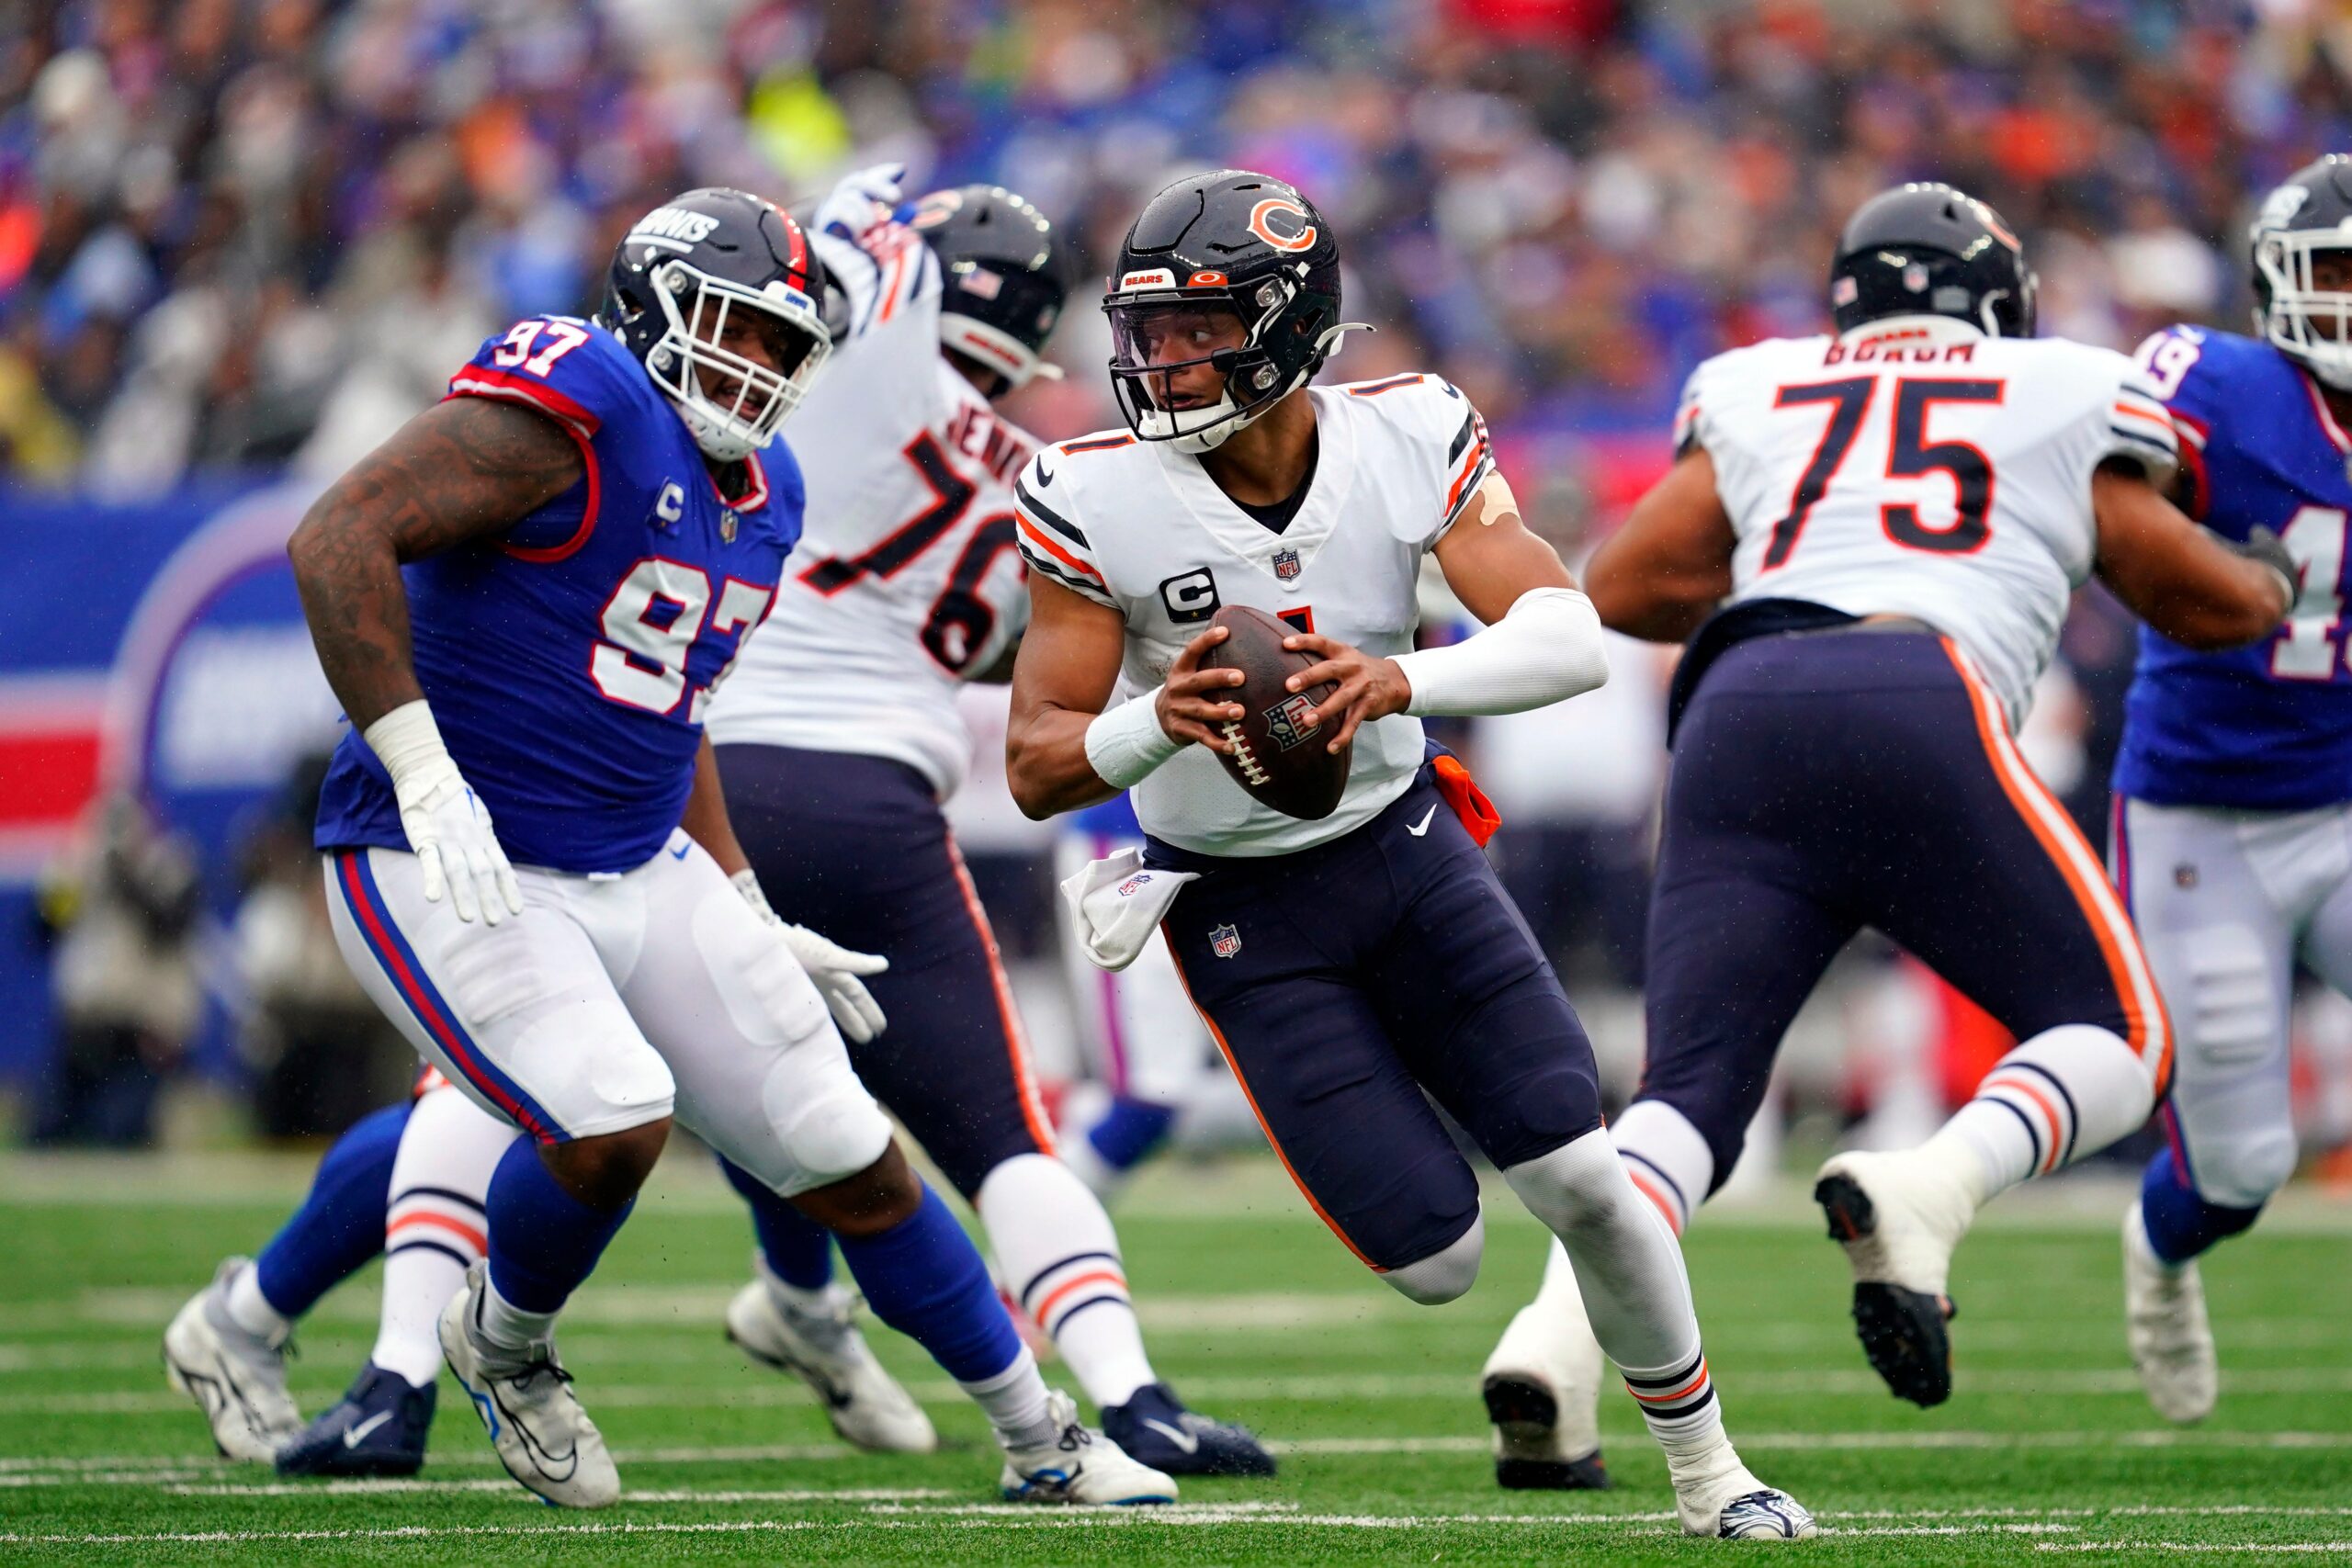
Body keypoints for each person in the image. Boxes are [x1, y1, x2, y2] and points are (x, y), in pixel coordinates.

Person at [187, 186, 1172, 1510]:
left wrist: (747, 894)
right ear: (651, 302)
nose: (756, 366)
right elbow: (338, 533)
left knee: (846, 1146)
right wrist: (419, 768)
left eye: (781, 347)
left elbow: (679, 706)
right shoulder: (579, 397)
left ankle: (1039, 1433)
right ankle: (500, 1350)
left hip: (638, 861)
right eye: (734, 329)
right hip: (447, 852)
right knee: (609, 1122)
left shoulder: (772, 491)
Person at [1005, 167, 1814, 1541]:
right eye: (1152, 329)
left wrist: (1395, 679)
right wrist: (1161, 720)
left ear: (1295, 321)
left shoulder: (1409, 432)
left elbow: (1565, 635)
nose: (1166, 359)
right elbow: (1039, 759)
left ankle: (1710, 1472)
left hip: (1405, 846)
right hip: (1239, 905)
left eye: (1201, 327)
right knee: (1439, 1263)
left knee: (1583, 1178)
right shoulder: (1096, 495)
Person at [1478, 182, 2291, 1482]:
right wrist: (2268, 582)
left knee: (1690, 1097)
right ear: (1994, 301)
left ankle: (1553, 1347)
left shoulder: (1760, 382)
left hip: (1738, 707)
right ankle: (1931, 1189)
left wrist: (1799, 571)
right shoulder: (2064, 382)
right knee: (2123, 1037)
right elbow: (2189, 596)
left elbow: (1626, 585)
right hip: (1920, 692)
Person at [703, 168, 1272, 1476]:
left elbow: (822, 259)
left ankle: (401, 1344)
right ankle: (1124, 1396)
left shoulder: (868, 353)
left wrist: (859, 205)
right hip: (882, 800)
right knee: (999, 1135)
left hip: (714, 781)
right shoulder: (1049, 472)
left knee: (701, 1088)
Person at [2109, 154, 2352, 1424]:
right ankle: (2161, 1256)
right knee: (2246, 1163)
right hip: (2202, 809)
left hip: (2348, 803)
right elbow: (2105, 497)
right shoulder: (2217, 387)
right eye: (2341, 276)